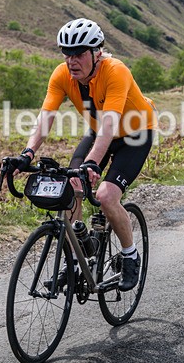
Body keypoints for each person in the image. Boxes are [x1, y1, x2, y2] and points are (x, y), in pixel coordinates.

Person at [11, 18, 156, 291]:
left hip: (135, 134)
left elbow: (111, 124)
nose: (71, 61)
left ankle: (130, 254)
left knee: (105, 196)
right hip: (99, 132)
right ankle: (75, 263)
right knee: (71, 187)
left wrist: (92, 162)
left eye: (78, 54)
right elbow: (45, 118)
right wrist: (27, 153)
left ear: (96, 52)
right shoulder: (62, 75)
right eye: (67, 54)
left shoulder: (116, 71)